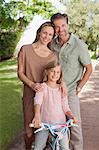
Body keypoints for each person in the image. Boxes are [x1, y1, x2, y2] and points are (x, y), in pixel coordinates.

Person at [50, 13, 92, 150]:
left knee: (74, 125)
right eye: (56, 27)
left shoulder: (79, 45)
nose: (60, 29)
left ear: (67, 25)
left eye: (62, 25)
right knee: (56, 125)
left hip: (70, 92)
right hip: (54, 91)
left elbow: (89, 68)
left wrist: (79, 88)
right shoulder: (52, 44)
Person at [17, 21, 59, 150]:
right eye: (45, 33)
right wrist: (32, 84)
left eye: (50, 35)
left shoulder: (53, 56)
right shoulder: (26, 49)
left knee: (45, 132)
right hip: (30, 95)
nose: (46, 37)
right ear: (39, 32)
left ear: (52, 37)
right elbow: (20, 72)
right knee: (29, 132)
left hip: (47, 98)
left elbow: (55, 75)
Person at [32, 61, 78, 150]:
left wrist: (71, 116)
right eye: (52, 71)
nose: (55, 74)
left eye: (58, 72)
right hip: (44, 123)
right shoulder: (42, 87)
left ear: (60, 74)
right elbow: (38, 101)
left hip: (60, 124)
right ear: (46, 72)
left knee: (64, 147)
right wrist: (37, 115)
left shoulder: (62, 89)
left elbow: (65, 107)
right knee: (38, 147)